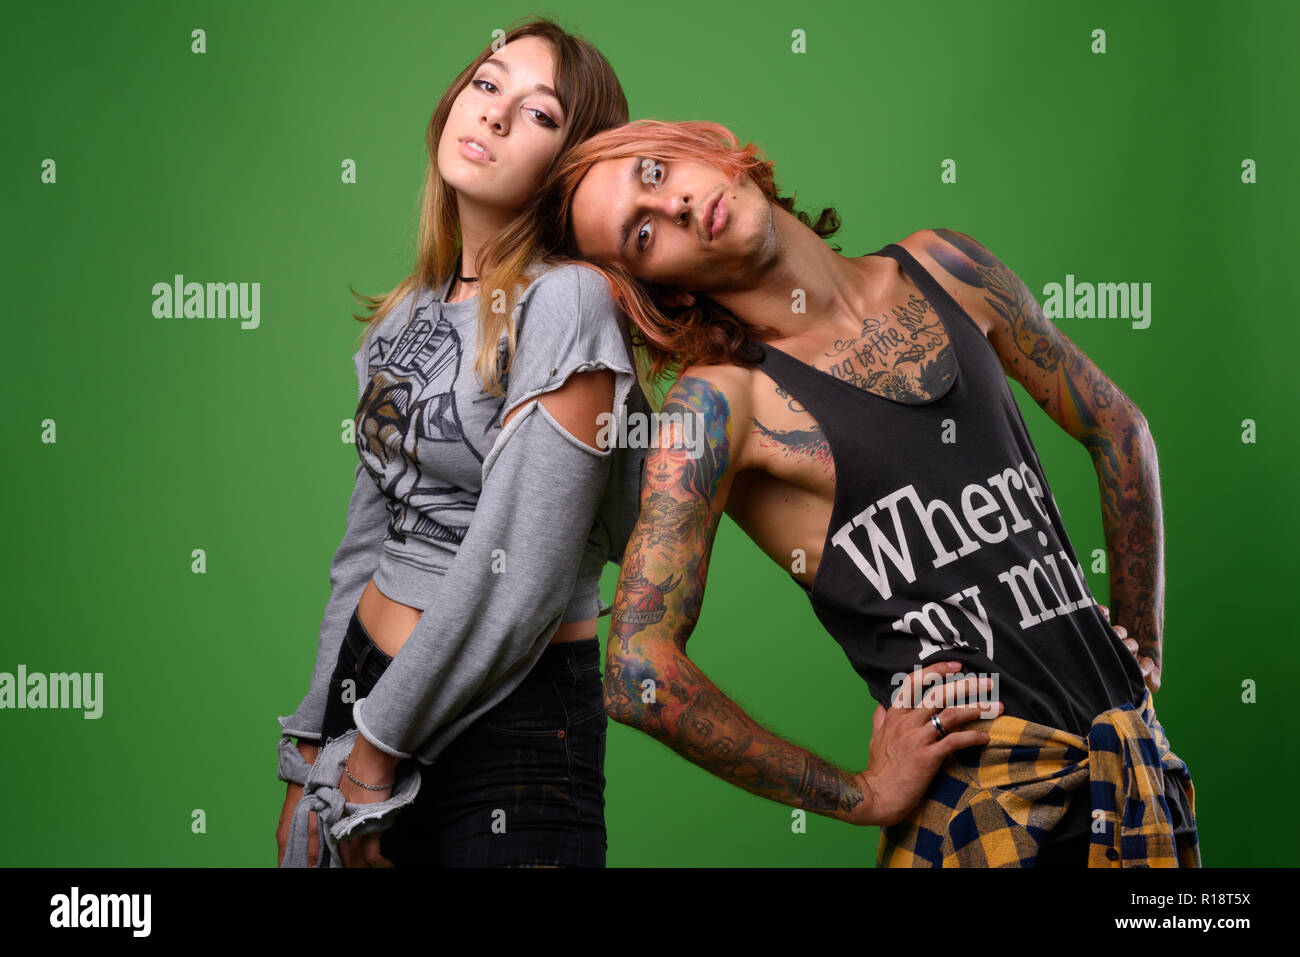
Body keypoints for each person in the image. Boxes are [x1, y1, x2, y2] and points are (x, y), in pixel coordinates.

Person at [535, 119, 1200, 866]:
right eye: (643, 236)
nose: (675, 209)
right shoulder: (720, 405)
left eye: (654, 174)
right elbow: (636, 670)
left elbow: (1120, 430)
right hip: (987, 816)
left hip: (1135, 775)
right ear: (664, 288)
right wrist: (861, 793)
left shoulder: (949, 266)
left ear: (707, 145)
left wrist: (1139, 656)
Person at [273, 17, 644, 868]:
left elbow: (523, 574)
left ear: (571, 162)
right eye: (487, 84)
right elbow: (367, 539)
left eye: (540, 113)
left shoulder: (570, 302)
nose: (496, 116)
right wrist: (309, 739)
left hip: (506, 721)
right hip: (364, 695)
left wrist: (370, 761)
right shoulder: (408, 309)